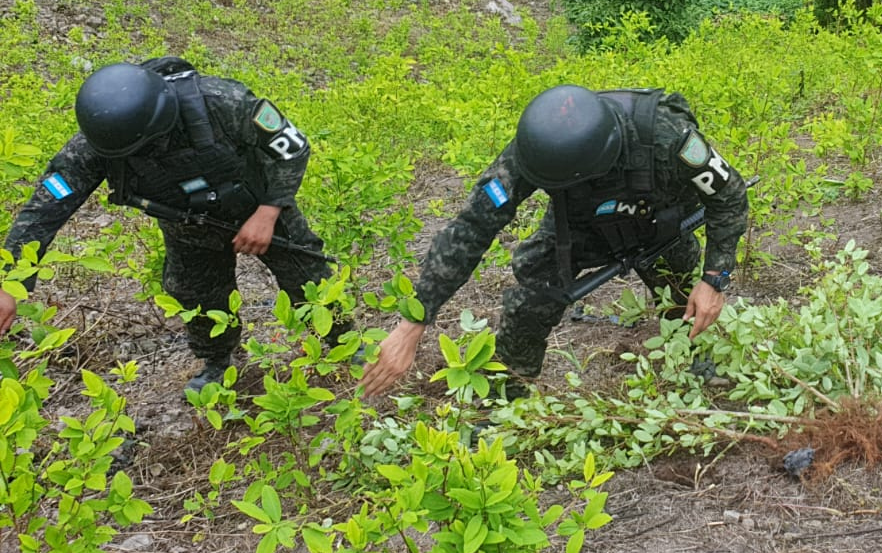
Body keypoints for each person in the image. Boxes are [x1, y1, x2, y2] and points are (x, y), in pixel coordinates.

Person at [360, 84, 750, 399]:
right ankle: (508, 396)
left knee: (684, 299)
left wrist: (715, 278)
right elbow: (472, 227)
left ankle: (695, 361)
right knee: (531, 295)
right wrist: (415, 320)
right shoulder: (535, 150)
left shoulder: (665, 133)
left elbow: (728, 194)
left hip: (661, 221)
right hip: (581, 226)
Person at [0, 58, 345, 395]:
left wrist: (269, 212)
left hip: (258, 204)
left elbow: (292, 149)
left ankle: (345, 344)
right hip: (189, 225)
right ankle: (217, 363)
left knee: (308, 275)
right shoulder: (101, 142)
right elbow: (44, 210)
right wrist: (9, 283)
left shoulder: (221, 102)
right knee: (194, 293)